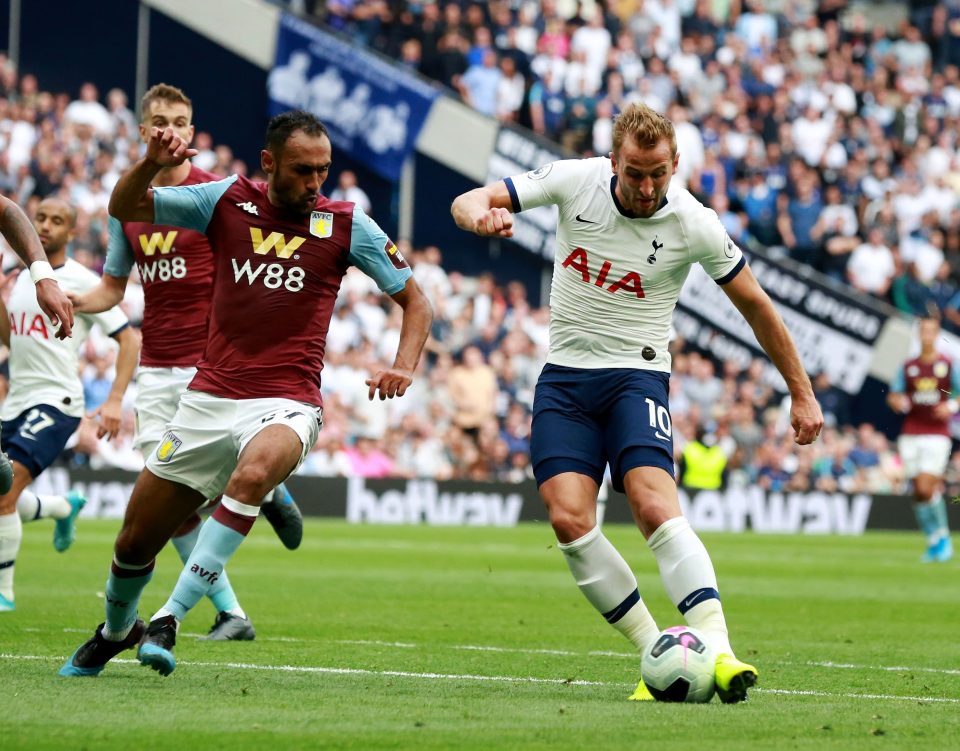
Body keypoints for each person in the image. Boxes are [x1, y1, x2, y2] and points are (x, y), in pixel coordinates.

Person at [451, 103, 823, 704]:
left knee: (653, 504)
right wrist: (479, 219)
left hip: (637, 378)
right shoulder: (575, 181)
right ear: (612, 162)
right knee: (570, 521)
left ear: (675, 163)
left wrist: (801, 393)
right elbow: (470, 199)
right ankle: (658, 652)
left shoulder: (693, 222)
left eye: (658, 174)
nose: (647, 188)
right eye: (634, 173)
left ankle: (719, 652)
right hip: (566, 381)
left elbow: (756, 305)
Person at [60, 109, 432, 677]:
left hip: (289, 400)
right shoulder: (224, 201)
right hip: (207, 399)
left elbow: (416, 301)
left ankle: (169, 618)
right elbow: (125, 207)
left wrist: (403, 366)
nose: (315, 184)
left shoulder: (346, 223)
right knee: (136, 541)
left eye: (323, 171)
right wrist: (150, 166)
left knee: (255, 475)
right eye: (303, 171)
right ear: (268, 163)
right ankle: (116, 630)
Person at [67, 83, 308, 641]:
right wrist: (67, 299)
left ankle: (264, 491)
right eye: (158, 122)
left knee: (196, 492)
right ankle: (231, 612)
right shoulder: (128, 205)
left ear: (192, 132)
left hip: (215, 371)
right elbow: (110, 289)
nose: (169, 130)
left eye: (179, 121)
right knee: (170, 509)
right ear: (142, 132)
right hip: (157, 368)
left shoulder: (219, 196)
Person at [0, 197, 138, 612]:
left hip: (57, 401)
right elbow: (11, 341)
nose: (44, 226)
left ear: (73, 231)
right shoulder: (18, 277)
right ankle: (61, 507)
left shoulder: (82, 280)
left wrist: (114, 399)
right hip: (16, 400)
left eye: (57, 221)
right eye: (40, 217)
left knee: (3, 496)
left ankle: (3, 592)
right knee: (2, 490)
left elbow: (129, 339)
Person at [886, 316, 957, 563]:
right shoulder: (908, 366)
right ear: (919, 334)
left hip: (937, 433)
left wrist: (950, 405)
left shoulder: (948, 364)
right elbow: (894, 394)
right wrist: (896, 401)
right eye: (924, 331)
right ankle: (933, 541)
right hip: (911, 432)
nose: (927, 335)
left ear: (937, 335)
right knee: (918, 492)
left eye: (931, 331)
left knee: (926, 486)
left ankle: (943, 537)